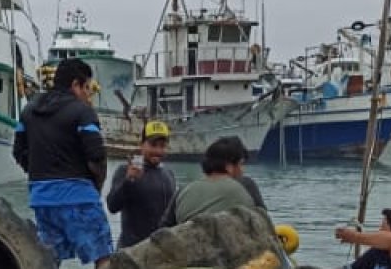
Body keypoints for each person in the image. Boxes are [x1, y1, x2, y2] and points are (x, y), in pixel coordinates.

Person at [13, 58, 112, 267]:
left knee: (49, 259)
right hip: (79, 196)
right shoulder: (83, 112)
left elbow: (18, 152)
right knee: (103, 256)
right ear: (75, 84)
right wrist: (96, 187)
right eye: (86, 88)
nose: (87, 95)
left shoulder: (28, 111)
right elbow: (97, 156)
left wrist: (37, 173)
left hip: (41, 199)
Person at [105, 120, 176, 248]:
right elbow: (112, 206)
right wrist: (128, 180)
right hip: (132, 250)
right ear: (142, 144)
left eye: (162, 146)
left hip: (161, 249)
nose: (158, 151)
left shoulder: (168, 173)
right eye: (153, 145)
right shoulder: (125, 170)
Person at [160, 136, 257, 227]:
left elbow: (164, 227)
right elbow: (262, 224)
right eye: (241, 164)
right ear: (229, 167)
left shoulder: (183, 190)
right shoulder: (245, 184)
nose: (243, 170)